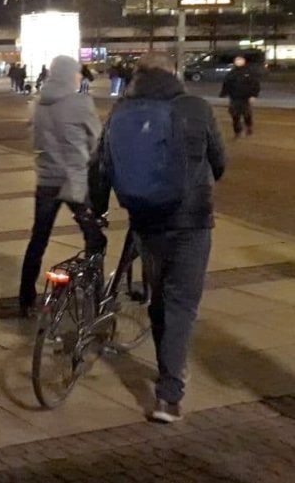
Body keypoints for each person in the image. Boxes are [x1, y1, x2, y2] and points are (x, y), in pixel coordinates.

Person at [92, 52, 225, 424]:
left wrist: (98, 211)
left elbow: (100, 165)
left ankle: (168, 371)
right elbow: (221, 161)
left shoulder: (123, 111)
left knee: (159, 297)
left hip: (147, 222)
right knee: (182, 301)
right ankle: (169, 394)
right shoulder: (196, 107)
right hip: (192, 222)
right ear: (174, 73)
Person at [18, 56, 106, 316]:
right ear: (70, 75)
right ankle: (95, 292)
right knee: (94, 238)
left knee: (39, 238)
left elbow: (34, 138)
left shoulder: (39, 103)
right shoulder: (80, 102)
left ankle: (25, 297)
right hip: (74, 182)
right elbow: (96, 140)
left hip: (46, 180)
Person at [220, 55, 261, 138]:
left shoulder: (249, 72)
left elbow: (255, 84)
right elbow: (226, 84)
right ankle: (237, 131)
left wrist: (253, 95)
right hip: (234, 98)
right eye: (237, 60)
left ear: (244, 61)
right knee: (235, 115)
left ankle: (248, 127)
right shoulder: (232, 73)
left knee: (247, 114)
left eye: (240, 60)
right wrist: (223, 93)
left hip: (245, 98)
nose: (238, 62)